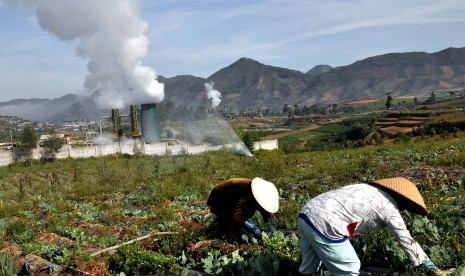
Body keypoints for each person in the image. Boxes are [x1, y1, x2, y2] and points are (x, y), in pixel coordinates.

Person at [298, 177, 437, 275]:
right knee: (350, 268)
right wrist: (426, 263)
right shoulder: (389, 207)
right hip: (325, 220)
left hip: (306, 213)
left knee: (309, 266)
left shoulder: (366, 188)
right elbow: (404, 238)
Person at [207, 177, 279, 241]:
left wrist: (271, 226)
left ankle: (228, 229)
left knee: (245, 214)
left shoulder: (258, 193)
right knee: (228, 218)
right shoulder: (244, 193)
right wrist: (253, 228)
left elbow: (264, 210)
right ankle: (220, 233)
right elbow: (236, 215)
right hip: (222, 195)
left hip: (232, 193)